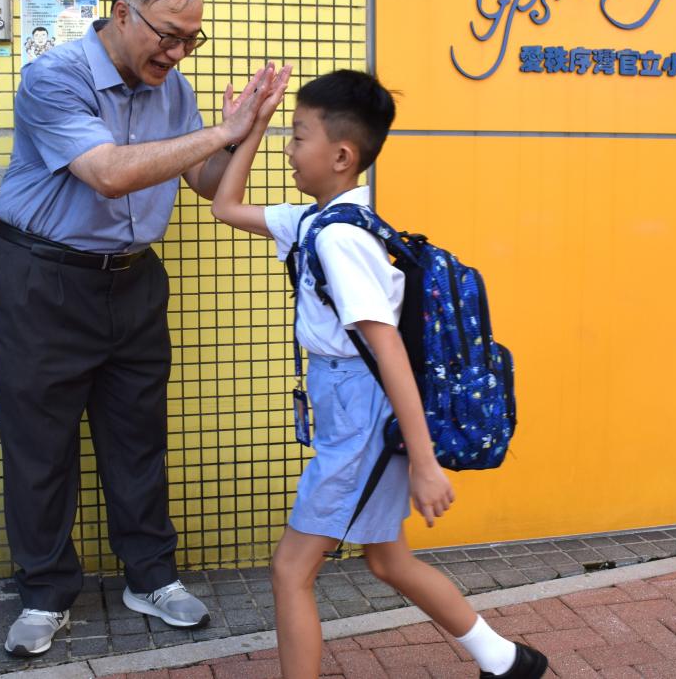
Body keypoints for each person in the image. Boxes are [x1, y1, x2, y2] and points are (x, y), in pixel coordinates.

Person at [0, 0, 291, 657]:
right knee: (40, 445)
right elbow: (107, 174)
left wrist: (248, 129)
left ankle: (150, 576)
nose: (178, 53)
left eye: (191, 39)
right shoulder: (54, 76)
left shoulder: (172, 89)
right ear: (122, 14)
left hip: (133, 279)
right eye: (169, 35)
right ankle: (44, 592)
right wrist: (220, 132)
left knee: (138, 436)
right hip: (42, 279)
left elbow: (208, 182)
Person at [210, 70, 549, 679]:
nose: (289, 150)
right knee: (388, 559)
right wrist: (250, 126)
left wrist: (424, 461)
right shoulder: (317, 221)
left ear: (341, 156)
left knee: (290, 570)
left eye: (297, 137)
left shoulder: (340, 238)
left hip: (362, 409)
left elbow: (387, 351)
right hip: (350, 401)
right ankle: (505, 661)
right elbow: (225, 207)